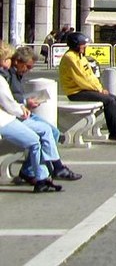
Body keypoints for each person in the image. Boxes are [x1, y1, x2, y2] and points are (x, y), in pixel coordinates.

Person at [0, 42, 68, 191]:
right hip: (5, 120)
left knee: (39, 138)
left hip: (8, 117)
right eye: (8, 58)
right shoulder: (2, 78)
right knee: (35, 140)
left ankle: (43, 178)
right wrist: (22, 110)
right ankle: (43, 177)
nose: (11, 60)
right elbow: (8, 102)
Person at [58, 32, 116, 142]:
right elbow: (82, 78)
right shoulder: (70, 58)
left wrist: (99, 87)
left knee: (114, 98)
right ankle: (115, 133)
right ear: (76, 45)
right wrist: (99, 90)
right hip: (76, 92)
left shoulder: (80, 57)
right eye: (83, 44)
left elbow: (90, 76)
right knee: (110, 100)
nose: (85, 47)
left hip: (85, 89)